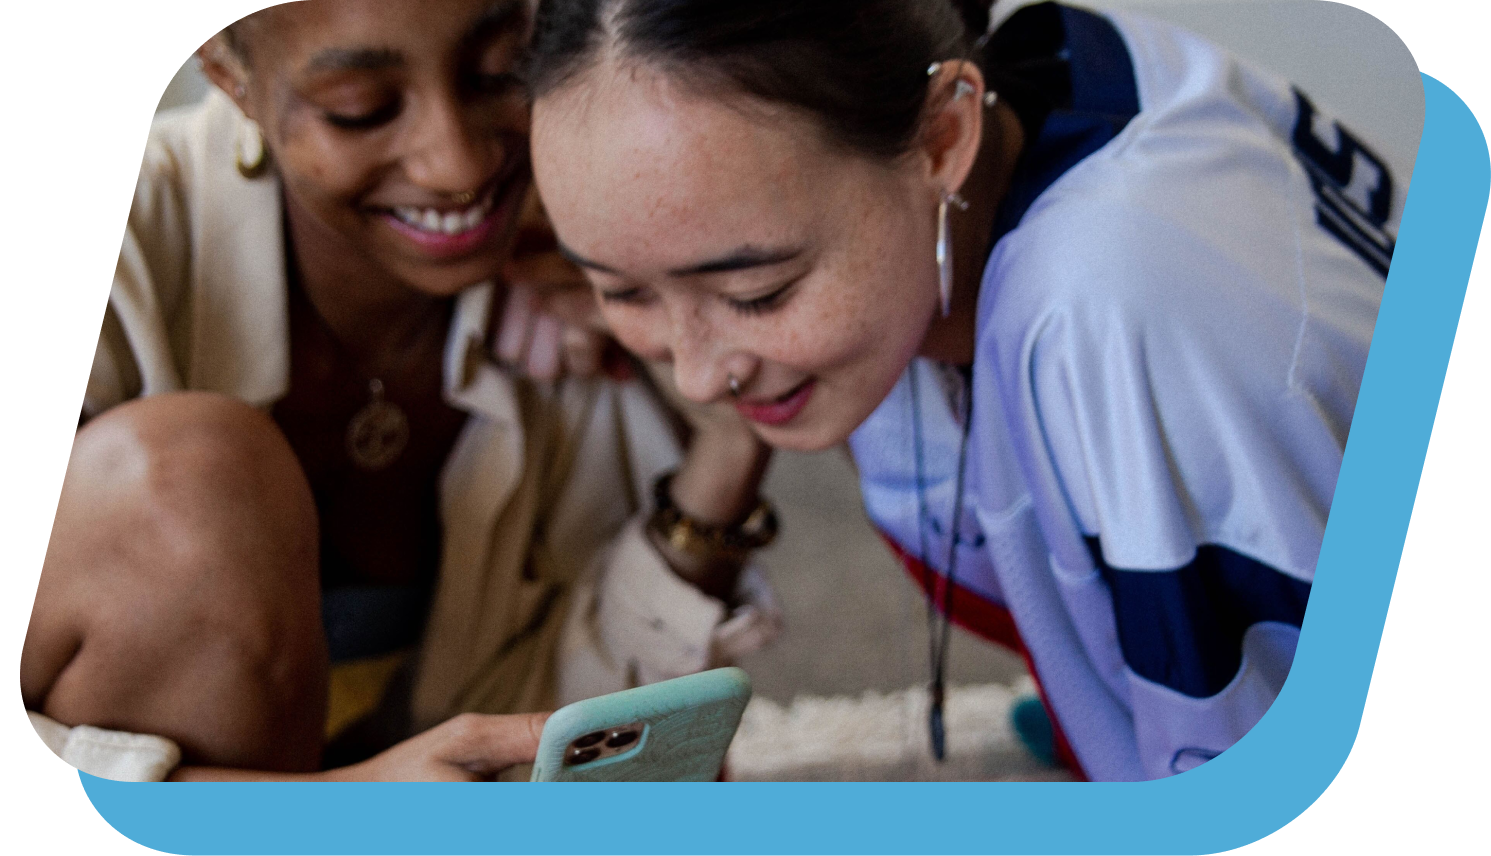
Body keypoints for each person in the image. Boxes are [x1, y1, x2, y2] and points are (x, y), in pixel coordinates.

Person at [524, 0, 1397, 780]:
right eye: (622, 289)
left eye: (757, 293)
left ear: (944, 136)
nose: (697, 373)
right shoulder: (1059, 71)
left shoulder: (1115, 311)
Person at [22, 0, 780, 782]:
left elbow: (590, 748)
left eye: (503, 72)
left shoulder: (596, 277)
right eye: (362, 109)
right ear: (228, 74)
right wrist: (334, 812)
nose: (457, 164)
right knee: (192, 480)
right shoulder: (137, 251)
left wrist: (727, 439)